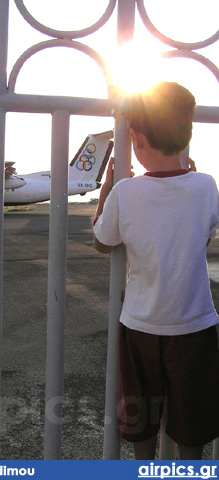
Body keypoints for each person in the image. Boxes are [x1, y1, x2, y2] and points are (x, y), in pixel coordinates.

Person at [93, 82, 219, 460]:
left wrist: (107, 192)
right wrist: (189, 178)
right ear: (187, 136)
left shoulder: (126, 193)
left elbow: (103, 240)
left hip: (141, 326)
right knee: (192, 419)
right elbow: (206, 231)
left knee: (140, 414)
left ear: (135, 138)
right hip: (195, 325)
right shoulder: (206, 186)